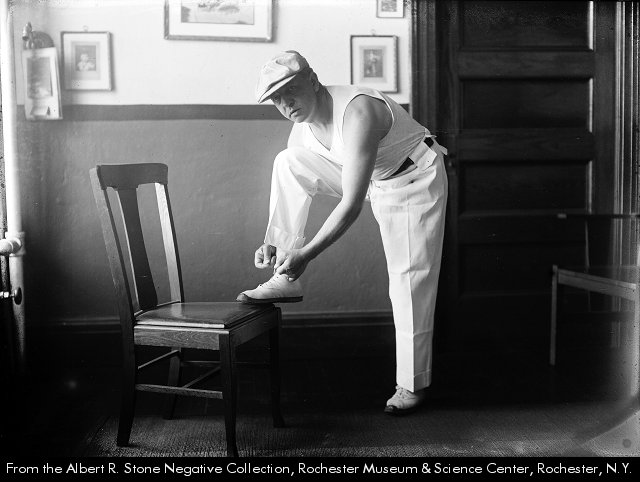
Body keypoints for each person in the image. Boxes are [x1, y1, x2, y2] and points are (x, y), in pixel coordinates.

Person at [237, 51, 448, 415]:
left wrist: (307, 255)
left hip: (413, 177)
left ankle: (412, 384)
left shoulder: (358, 111)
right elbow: (296, 182)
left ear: (313, 80)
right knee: (287, 161)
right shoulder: (302, 126)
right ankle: (284, 276)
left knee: (408, 279)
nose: (286, 105)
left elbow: (350, 205)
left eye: (291, 91)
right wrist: (275, 244)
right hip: (373, 177)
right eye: (276, 99)